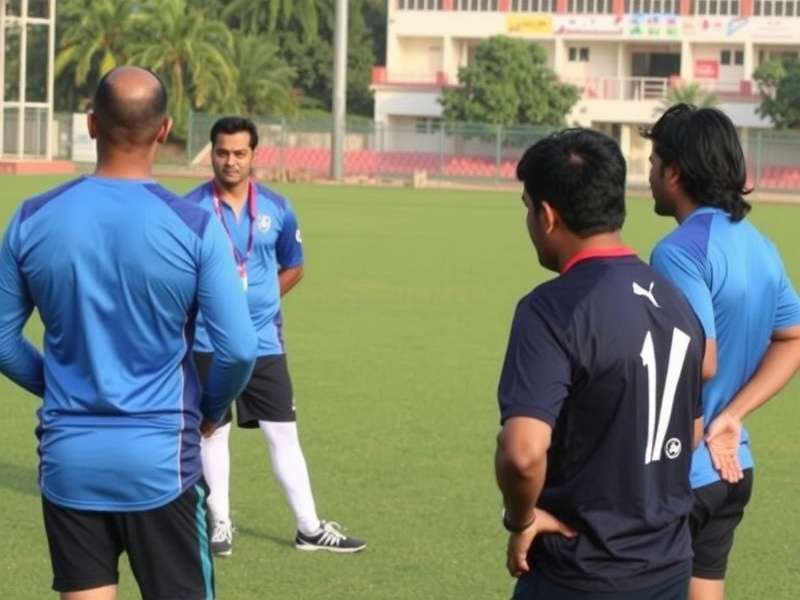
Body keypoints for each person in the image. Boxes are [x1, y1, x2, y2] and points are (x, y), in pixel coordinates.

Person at [0, 67, 257, 600]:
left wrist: (61, 387)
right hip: (160, 460)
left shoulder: (30, 219)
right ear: (164, 131)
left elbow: (3, 341)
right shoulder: (195, 225)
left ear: (91, 124)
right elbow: (237, 348)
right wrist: (210, 411)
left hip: (70, 461)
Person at [495, 128, 706, 599]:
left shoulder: (551, 309)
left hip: (581, 574)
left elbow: (523, 453)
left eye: (528, 207)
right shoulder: (676, 302)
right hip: (670, 568)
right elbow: (690, 431)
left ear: (547, 215)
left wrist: (521, 518)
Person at [186, 116, 366, 556]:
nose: (230, 161)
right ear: (212, 152)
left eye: (239, 153)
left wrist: (263, 303)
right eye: (223, 152)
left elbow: (295, 264)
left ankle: (308, 527)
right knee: (213, 432)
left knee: (282, 433)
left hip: (264, 341)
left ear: (254, 155)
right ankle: (220, 524)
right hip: (208, 341)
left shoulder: (277, 208)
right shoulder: (188, 210)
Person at [644, 103, 800, 600]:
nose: (647, 174)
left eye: (652, 161)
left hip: (677, 469)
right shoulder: (761, 246)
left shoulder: (678, 250)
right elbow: (792, 338)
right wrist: (731, 416)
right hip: (731, 465)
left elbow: (699, 358)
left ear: (673, 171)